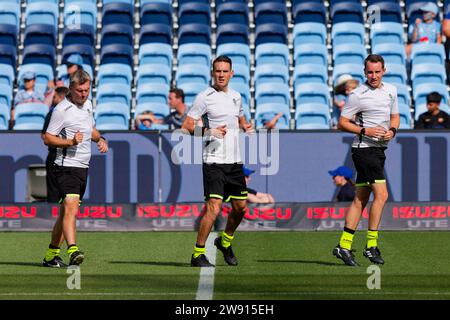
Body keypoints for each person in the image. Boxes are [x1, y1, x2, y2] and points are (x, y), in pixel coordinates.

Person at [181, 55, 254, 267]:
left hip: (235, 161)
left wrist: (244, 126)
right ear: (213, 73)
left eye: (225, 71)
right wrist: (209, 130)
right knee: (214, 207)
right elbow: (186, 126)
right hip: (213, 160)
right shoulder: (205, 96)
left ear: (232, 73)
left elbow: (239, 119)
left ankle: (225, 241)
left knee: (241, 208)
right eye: (218, 71)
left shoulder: (236, 96)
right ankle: (197, 254)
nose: (221, 74)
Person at [332, 54, 400, 267]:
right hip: (364, 149)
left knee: (360, 198)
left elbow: (395, 116)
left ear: (384, 71)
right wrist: (365, 130)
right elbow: (342, 123)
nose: (373, 76)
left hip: (379, 150)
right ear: (365, 73)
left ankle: (343, 245)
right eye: (369, 72)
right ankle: (371, 246)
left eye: (377, 72)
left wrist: (392, 130)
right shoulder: (357, 95)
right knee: (382, 194)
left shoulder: (391, 90)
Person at [42, 70, 108, 268]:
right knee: (71, 206)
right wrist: (70, 141)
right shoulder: (61, 110)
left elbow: (90, 129)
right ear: (71, 88)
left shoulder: (88, 105)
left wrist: (101, 138)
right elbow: (47, 138)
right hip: (64, 166)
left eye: (87, 90)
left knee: (65, 214)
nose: (84, 94)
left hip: (82, 167)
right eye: (80, 90)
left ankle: (50, 256)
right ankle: (73, 250)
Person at [41, 86, 69, 203]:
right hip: (69, 156)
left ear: (60, 97)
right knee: (67, 193)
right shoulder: (76, 113)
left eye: (55, 97)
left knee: (59, 192)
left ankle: (55, 219)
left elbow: (44, 136)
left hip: (61, 156)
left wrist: (55, 140)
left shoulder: (53, 113)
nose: (53, 99)